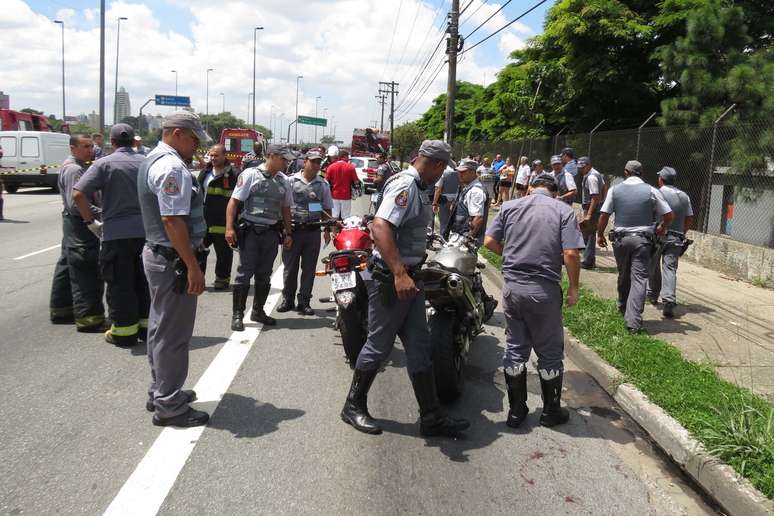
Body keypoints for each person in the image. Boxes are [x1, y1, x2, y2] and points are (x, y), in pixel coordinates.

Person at [341, 140, 470, 438]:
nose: (442, 176)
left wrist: (409, 272)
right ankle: (353, 405)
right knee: (379, 345)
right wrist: (399, 273)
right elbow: (381, 226)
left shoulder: (420, 187)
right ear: (435, 164)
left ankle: (432, 416)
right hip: (392, 280)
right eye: (443, 169)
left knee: (419, 346)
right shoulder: (406, 186)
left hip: (411, 278)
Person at [483, 173, 584, 428]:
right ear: (555, 192)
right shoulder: (563, 211)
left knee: (516, 347)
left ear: (530, 188)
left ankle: (516, 411)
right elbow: (571, 253)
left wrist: (510, 256)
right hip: (543, 291)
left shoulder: (509, 206)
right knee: (549, 350)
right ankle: (551, 412)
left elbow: (489, 241)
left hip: (513, 289)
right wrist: (574, 287)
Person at [137, 110, 211, 427]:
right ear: (178, 133)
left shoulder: (154, 159)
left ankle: (161, 391)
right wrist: (192, 267)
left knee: (160, 327)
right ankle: (169, 404)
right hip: (173, 259)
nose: (197, 146)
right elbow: (172, 220)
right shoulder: (171, 167)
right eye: (194, 139)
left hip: (161, 255)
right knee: (173, 335)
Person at [72, 123, 149, 348]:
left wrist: (90, 222)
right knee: (143, 282)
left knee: (120, 284)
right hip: (146, 233)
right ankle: (146, 329)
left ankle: (124, 333)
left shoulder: (103, 164)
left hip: (116, 235)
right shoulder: (146, 163)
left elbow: (78, 195)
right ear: (134, 141)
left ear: (112, 143)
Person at [597, 160, 674, 334]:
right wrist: (662, 227)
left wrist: (599, 234)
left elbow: (604, 215)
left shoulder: (614, 190)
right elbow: (669, 215)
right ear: (641, 173)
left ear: (626, 172)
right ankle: (633, 322)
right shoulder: (651, 190)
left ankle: (622, 306)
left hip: (621, 240)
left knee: (624, 275)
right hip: (643, 241)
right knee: (639, 279)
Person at [225, 143, 295, 330]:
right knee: (244, 274)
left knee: (264, 275)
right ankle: (238, 314)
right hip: (250, 233)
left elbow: (286, 209)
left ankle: (258, 311)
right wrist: (229, 228)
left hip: (271, 234)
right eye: (283, 158)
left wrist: (288, 232)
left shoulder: (284, 181)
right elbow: (233, 202)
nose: (286, 163)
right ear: (271, 156)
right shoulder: (250, 174)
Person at [49, 134, 106, 332]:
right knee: (85, 266)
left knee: (67, 264)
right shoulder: (74, 169)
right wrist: (100, 215)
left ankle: (62, 309)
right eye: (85, 146)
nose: (90, 150)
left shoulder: (78, 165)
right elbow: (76, 204)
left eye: (91, 146)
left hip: (74, 223)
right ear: (73, 148)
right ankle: (90, 319)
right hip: (80, 222)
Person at [277, 150, 333, 315]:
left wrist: (328, 229)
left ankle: (304, 301)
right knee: (290, 268)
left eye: (319, 163)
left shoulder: (323, 184)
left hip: (312, 231)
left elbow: (326, 208)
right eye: (313, 162)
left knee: (309, 269)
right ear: (305, 161)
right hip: (293, 230)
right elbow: (283, 206)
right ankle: (287, 299)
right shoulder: (290, 181)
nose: (316, 165)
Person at [647, 167, 694, 318]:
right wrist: (682, 233)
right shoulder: (684, 196)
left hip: (659, 235)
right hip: (676, 237)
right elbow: (689, 217)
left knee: (652, 266)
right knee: (670, 268)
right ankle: (669, 300)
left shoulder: (658, 193)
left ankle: (653, 294)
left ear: (661, 179)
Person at [197, 144, 239, 290]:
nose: (213, 158)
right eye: (211, 155)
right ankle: (198, 278)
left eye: (216, 155)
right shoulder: (205, 172)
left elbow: (239, 200)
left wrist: (234, 224)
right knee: (198, 250)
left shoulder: (234, 175)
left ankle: (222, 279)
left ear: (224, 156)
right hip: (204, 221)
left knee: (224, 253)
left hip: (223, 222)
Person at [448, 159, 489, 245]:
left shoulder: (475, 191)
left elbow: (478, 219)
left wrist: (467, 241)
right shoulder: (467, 187)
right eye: (459, 172)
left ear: (472, 172)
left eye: (463, 172)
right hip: (458, 235)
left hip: (463, 239)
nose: (460, 175)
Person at [578, 156, 606, 269]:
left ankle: (588, 262)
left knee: (589, 234)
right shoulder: (595, 173)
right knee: (586, 233)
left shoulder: (591, 177)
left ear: (589, 165)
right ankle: (587, 259)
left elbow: (594, 197)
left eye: (583, 167)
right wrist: (603, 201)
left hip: (591, 207)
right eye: (580, 167)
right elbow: (604, 187)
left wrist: (589, 214)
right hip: (594, 207)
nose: (581, 169)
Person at [325, 150, 360, 221]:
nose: (348, 159)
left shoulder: (331, 167)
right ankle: (343, 232)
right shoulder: (351, 167)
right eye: (347, 157)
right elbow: (356, 182)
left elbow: (326, 181)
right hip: (346, 196)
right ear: (344, 157)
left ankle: (334, 232)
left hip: (334, 195)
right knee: (346, 217)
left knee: (334, 217)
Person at [432, 163, 459, 235]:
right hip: (455, 199)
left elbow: (438, 189)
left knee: (443, 222)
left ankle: (443, 238)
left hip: (444, 199)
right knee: (453, 221)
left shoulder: (442, 173)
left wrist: (434, 203)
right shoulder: (458, 174)